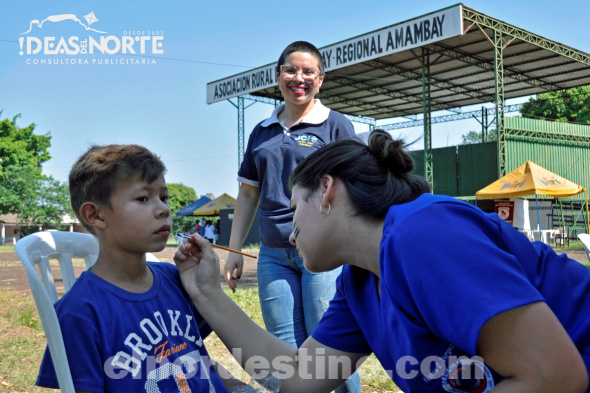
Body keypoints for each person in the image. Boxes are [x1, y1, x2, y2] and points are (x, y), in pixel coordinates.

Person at [175, 129, 590, 393]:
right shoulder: (360, 282)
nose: (289, 227)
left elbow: (555, 378)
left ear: (325, 190)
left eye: (293, 203)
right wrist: (208, 292)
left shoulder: (423, 232)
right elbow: (299, 377)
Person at [36, 144, 245, 392]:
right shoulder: (78, 313)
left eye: (163, 197)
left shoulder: (177, 280)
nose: (164, 209)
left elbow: (195, 360)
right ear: (96, 215)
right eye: (143, 198)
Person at [223, 40, 361, 393]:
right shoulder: (262, 131)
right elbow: (248, 193)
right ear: (278, 75)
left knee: (330, 348)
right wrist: (234, 250)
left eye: (308, 71)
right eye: (291, 70)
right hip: (273, 252)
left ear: (321, 79)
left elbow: (357, 185)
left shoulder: (335, 125)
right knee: (284, 349)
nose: (299, 78)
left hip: (321, 251)